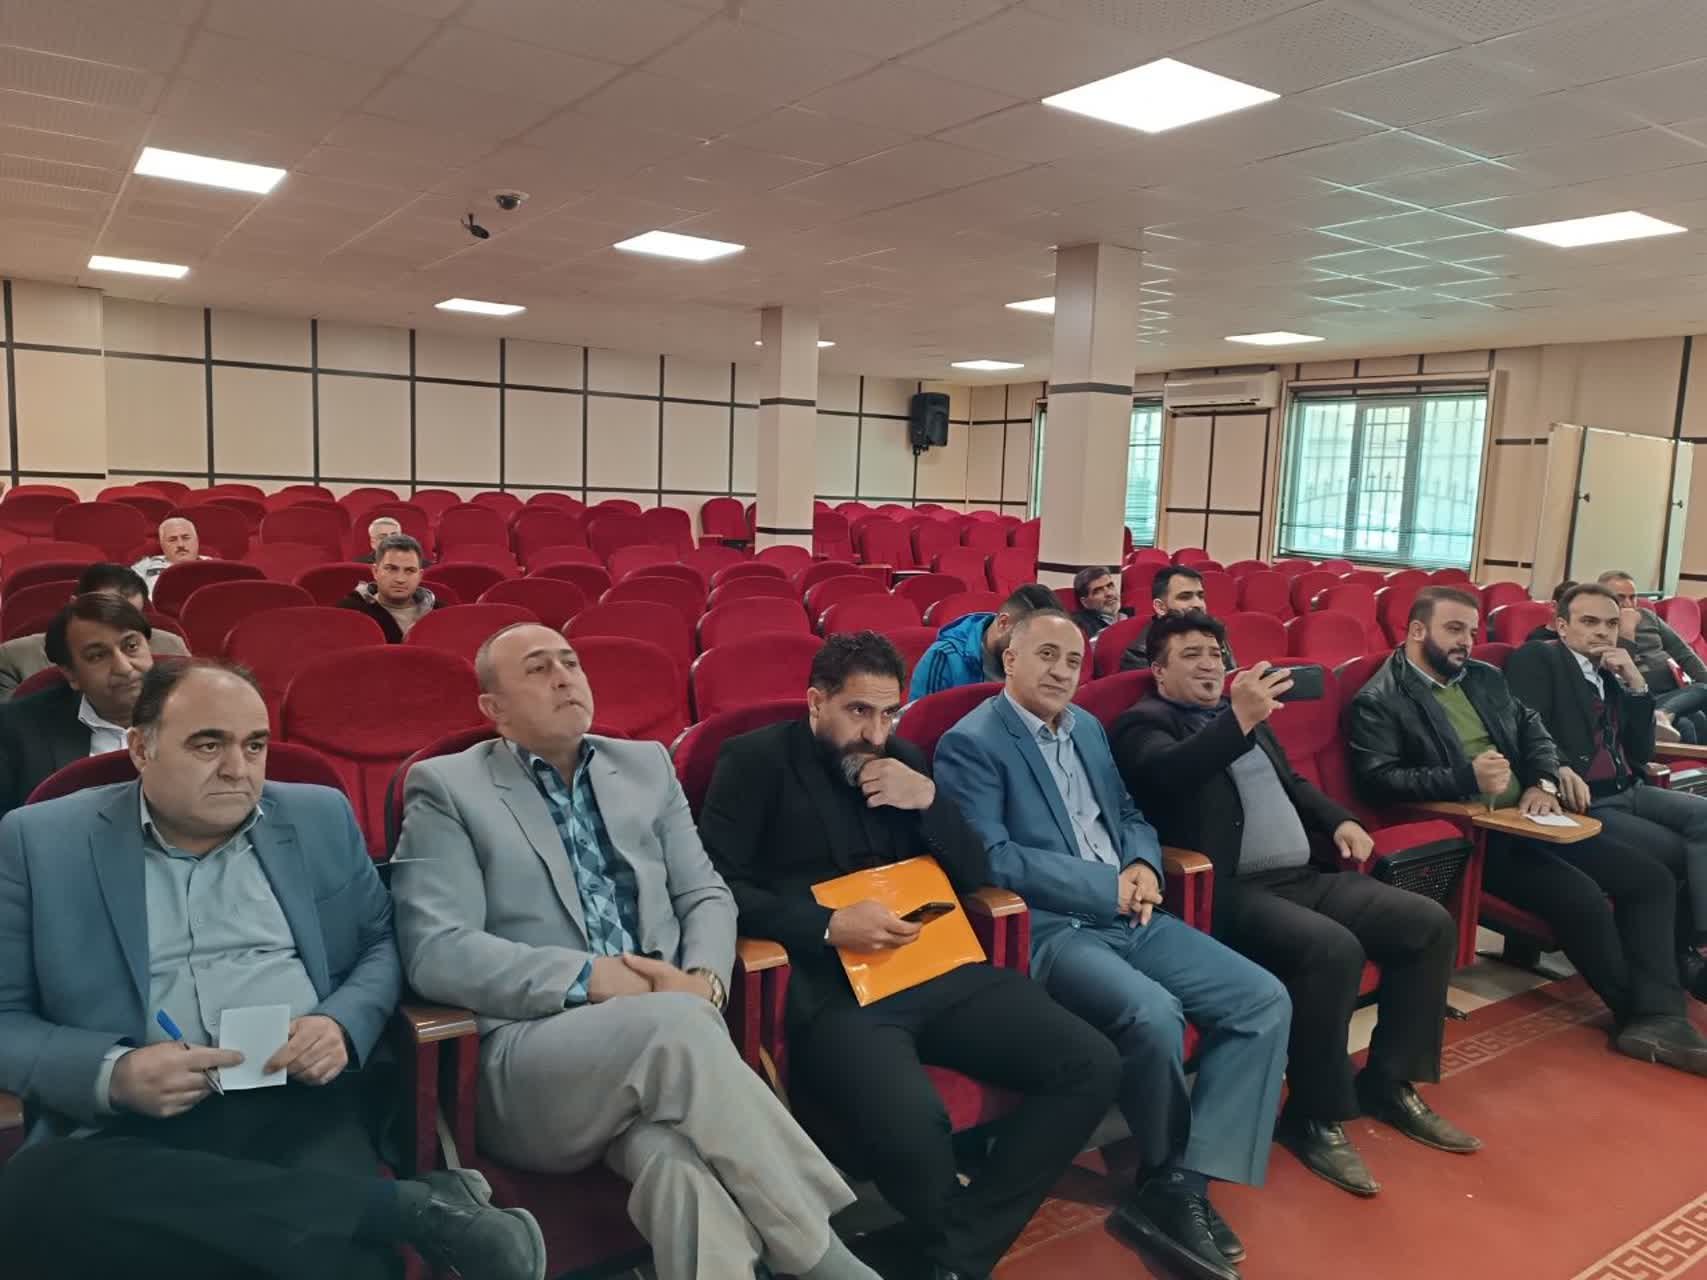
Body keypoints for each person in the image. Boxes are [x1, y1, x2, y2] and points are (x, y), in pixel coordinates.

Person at [0, 660, 546, 1280]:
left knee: (337, 1264)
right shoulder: (40, 841)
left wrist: (340, 1025)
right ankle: (409, 1212)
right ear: (141, 748)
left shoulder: (317, 817)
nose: (238, 768)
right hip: (131, 1123)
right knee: (29, 1193)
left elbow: (380, 944)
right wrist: (114, 1073)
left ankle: (371, 1215)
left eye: (254, 745)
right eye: (208, 745)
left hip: (299, 1099)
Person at [391, 622, 880, 1280]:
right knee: (676, 1025)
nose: (564, 677)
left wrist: (705, 981)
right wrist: (590, 977)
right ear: (493, 708)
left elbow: (706, 894)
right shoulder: (448, 788)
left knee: (678, 1170)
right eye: (538, 668)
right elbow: (436, 950)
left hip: (669, 1049)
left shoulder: (645, 766)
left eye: (570, 661)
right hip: (531, 1060)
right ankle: (824, 1258)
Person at [699, 631, 1120, 1280]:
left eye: (888, 713)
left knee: (1092, 1062)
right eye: (857, 711)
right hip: (836, 989)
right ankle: (957, 1254)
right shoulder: (754, 762)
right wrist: (828, 924)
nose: (875, 732)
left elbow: (976, 870)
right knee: (913, 1128)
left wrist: (928, 801)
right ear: (816, 702)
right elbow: (717, 886)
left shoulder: (904, 759)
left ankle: (953, 1257)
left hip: (934, 962)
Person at [935, 609, 1290, 1280]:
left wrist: (1143, 865)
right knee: (1152, 1013)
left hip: (1132, 910)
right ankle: (1166, 1172)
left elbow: (1127, 813)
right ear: (1010, 659)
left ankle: (1181, 1182)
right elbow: (992, 858)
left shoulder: (1088, 729)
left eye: (1072, 661)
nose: (1060, 672)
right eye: (1045, 655)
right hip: (1052, 926)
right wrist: (1106, 886)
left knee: (1262, 999)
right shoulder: (972, 742)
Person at [1111, 612, 1478, 1199]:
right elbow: (1169, 775)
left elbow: (1294, 785)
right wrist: (1237, 719)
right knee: (1332, 950)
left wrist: (1341, 820)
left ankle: (1390, 1081)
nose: (1208, 664)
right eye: (1190, 655)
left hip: (1303, 876)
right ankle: (1313, 1115)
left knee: (1426, 923)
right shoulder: (1144, 724)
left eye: (1215, 653)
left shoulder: (1244, 717)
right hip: (1228, 892)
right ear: (1158, 672)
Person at [1346, 586, 1706, 1076]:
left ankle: (1661, 1009)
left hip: (1538, 815)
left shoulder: (1482, 676)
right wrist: (1465, 778)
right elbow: (1378, 780)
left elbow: (1533, 730)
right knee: (1581, 899)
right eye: (1454, 630)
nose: (1466, 641)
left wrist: (1542, 779)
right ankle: (1641, 1015)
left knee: (1651, 879)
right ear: (1416, 630)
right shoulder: (1380, 698)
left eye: (1472, 631)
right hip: (1482, 832)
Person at [1506, 584, 1707, 1000]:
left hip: (1630, 786)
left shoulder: (1613, 669)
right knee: (1677, 852)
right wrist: (1557, 767)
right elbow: (1524, 726)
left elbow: (1642, 751)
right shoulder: (1539, 658)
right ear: (1562, 626)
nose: (1602, 631)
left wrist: (1636, 685)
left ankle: (1693, 942)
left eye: (1611, 623)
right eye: (1589, 622)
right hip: (1590, 798)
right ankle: (1679, 955)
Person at [0, 594, 159, 817]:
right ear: (71, 674)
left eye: (131, 646)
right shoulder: (17, 729)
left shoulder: (196, 706)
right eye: (97, 656)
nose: (124, 668)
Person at [0, 562, 187, 698]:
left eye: (131, 617)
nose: (117, 629)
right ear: (74, 604)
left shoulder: (171, 646)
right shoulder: (14, 658)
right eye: (104, 614)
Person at [1597, 570, 1707, 742]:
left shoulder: (1648, 617)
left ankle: (1663, 715)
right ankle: (1661, 715)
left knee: (1699, 709)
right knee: (1688, 722)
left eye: (1632, 597)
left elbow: (1684, 653)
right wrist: (1627, 630)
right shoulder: (1599, 626)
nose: (1628, 604)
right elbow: (1620, 668)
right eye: (1620, 598)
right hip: (1638, 696)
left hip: (1672, 693)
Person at [908, 583, 1057, 700]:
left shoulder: (1039, 663)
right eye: (1027, 640)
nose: (1031, 653)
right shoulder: (944, 657)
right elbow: (920, 725)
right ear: (1003, 623)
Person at [1119, 567, 1236, 671]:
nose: (1198, 604)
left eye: (1200, 596)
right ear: (1160, 607)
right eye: (1185, 597)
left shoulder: (1214, 635)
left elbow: (1229, 677)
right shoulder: (1139, 654)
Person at [339, 533, 437, 642]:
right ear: (375, 572)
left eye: (410, 570)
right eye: (391, 569)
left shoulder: (438, 612)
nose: (400, 579)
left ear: (420, 576)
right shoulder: (348, 612)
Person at [131, 516, 206, 595]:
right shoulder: (143, 567)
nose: (180, 545)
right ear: (162, 544)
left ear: (197, 540)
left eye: (186, 538)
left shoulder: (212, 565)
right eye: (172, 540)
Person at [1068, 565, 1131, 638]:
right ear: (1085, 602)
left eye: (1110, 586)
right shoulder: (1081, 627)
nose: (1109, 593)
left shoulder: (1133, 613)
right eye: (1098, 591)